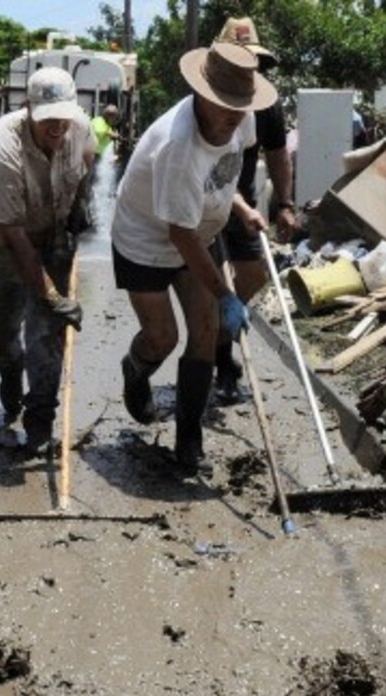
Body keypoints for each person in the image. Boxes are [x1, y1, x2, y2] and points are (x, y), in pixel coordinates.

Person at [111, 42, 274, 472]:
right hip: (146, 238)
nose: (231, 119)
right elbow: (179, 236)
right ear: (201, 95)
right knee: (161, 337)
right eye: (223, 108)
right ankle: (135, 368)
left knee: (205, 329)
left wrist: (242, 208)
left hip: (199, 228)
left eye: (238, 109)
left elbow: (223, 175)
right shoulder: (177, 147)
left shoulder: (243, 115)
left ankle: (188, 438)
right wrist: (226, 293)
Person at [0, 67, 96, 452]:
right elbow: (16, 239)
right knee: (1, 331)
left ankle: (41, 417)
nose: (57, 126)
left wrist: (80, 201)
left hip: (52, 236)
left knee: (46, 334)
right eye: (48, 118)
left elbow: (89, 159)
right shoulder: (0, 149)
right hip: (0, 247)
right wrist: (53, 296)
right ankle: (9, 373)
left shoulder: (80, 127)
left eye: (64, 117)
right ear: (28, 110)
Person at [213, 17, 299, 400]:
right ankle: (210, 359)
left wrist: (284, 203)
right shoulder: (208, 97)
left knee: (252, 275)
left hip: (243, 201)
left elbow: (278, 155)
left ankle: (219, 340)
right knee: (209, 286)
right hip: (205, 202)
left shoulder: (266, 103)